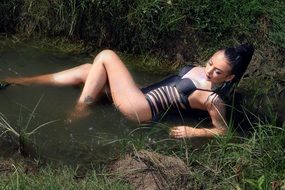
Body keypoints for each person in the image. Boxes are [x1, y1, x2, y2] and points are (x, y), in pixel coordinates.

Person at [0, 44, 254, 138]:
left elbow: (223, 132)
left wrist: (193, 132)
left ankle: (80, 110)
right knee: (90, 69)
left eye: (218, 72)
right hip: (138, 95)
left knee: (107, 56)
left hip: (140, 108)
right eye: (211, 62)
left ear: (229, 77)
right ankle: (20, 81)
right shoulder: (201, 70)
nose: (210, 71)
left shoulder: (213, 99)